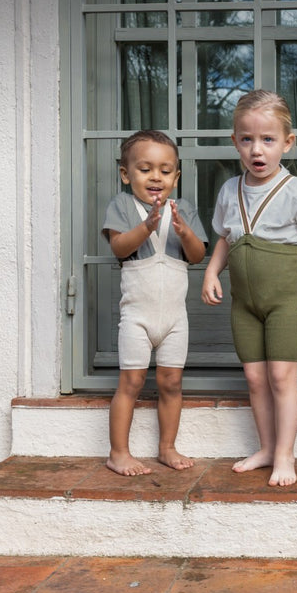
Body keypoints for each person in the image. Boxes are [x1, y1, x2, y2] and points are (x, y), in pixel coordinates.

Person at [201, 90, 297, 487]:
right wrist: (211, 272)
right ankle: (265, 447)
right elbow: (224, 239)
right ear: (235, 142)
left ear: (287, 143)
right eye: (247, 139)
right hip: (244, 305)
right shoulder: (229, 190)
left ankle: (284, 454)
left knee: (281, 376)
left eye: (267, 139)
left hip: (285, 303)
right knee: (256, 379)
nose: (256, 149)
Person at [102, 130, 208, 476]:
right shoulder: (122, 206)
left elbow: (197, 256)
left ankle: (167, 447)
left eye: (165, 170)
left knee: (171, 382)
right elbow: (119, 248)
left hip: (175, 319)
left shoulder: (184, 209)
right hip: (137, 317)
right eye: (145, 169)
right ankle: (118, 453)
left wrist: (185, 232)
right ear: (125, 174)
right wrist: (147, 226)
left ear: (176, 177)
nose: (156, 177)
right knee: (131, 384)